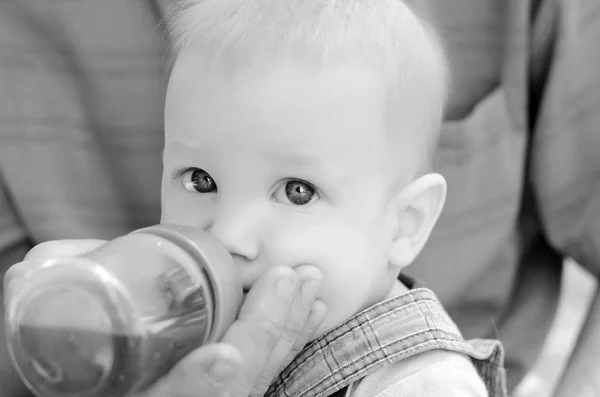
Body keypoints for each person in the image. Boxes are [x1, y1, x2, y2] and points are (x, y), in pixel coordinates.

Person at [0, 0, 598, 396]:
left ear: (405, 224)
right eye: (200, 180)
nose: (230, 234)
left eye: (296, 191)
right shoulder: (166, 339)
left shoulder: (419, 382)